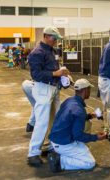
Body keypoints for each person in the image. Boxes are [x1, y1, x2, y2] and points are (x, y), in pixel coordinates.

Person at [27, 26, 69, 167]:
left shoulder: (52, 51)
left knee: (55, 119)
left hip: (53, 88)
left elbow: (54, 69)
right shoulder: (36, 53)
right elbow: (36, 75)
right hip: (43, 88)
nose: (55, 41)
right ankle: (33, 153)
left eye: (56, 38)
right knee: (42, 122)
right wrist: (55, 74)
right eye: (53, 38)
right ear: (45, 36)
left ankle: (49, 146)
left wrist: (63, 76)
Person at [48, 79, 107, 172]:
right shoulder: (79, 110)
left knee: (85, 150)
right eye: (89, 89)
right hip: (63, 143)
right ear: (85, 90)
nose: (90, 92)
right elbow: (78, 135)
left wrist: (90, 116)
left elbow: (71, 118)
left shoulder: (69, 101)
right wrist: (96, 137)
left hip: (57, 138)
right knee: (90, 163)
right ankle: (59, 161)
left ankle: (58, 152)